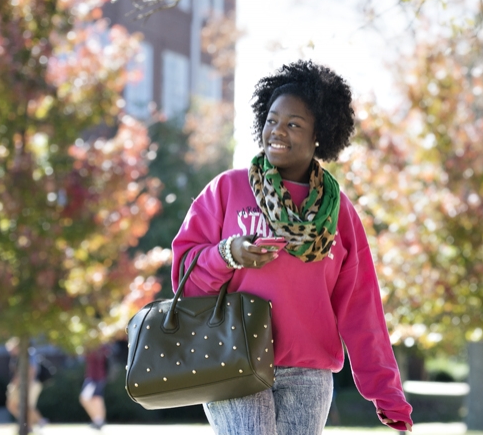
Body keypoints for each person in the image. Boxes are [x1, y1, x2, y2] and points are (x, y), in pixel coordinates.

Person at [172, 60, 413, 434]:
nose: (277, 131)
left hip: (309, 373)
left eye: (293, 124)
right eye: (272, 120)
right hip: (233, 357)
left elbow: (361, 306)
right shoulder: (227, 190)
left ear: (321, 134)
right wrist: (228, 254)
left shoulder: (339, 213)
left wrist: (387, 392)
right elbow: (185, 276)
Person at [5, 338, 45, 430]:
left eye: (11, 349)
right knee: (12, 405)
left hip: (31, 383)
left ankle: (39, 422)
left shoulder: (28, 354)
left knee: (28, 405)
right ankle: (28, 423)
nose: (10, 352)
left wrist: (27, 384)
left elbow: (32, 370)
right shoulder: (16, 358)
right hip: (18, 384)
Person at [80, 344, 111, 430]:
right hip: (97, 377)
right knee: (96, 399)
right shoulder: (102, 347)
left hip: (94, 378)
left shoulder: (98, 347)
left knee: (86, 399)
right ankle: (99, 421)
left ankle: (98, 420)